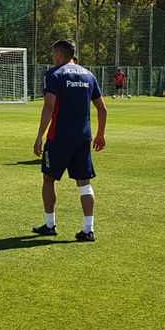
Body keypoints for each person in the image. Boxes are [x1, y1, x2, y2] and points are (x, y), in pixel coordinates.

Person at [32, 39, 107, 242]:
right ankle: (88, 229)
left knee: (49, 179)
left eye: (52, 54)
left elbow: (49, 107)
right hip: (83, 138)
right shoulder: (89, 75)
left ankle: (50, 225)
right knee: (84, 183)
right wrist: (100, 134)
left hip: (59, 137)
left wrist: (39, 136)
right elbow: (102, 108)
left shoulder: (53, 75)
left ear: (58, 54)